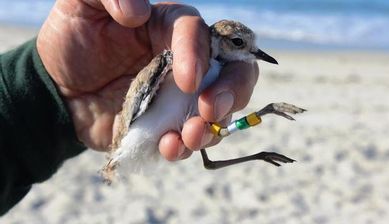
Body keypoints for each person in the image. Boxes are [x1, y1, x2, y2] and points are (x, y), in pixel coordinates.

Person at [0, 0, 259, 215]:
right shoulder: (178, 61)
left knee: (200, 129)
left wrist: (45, 96)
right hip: (127, 134)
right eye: (239, 43)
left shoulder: (213, 71)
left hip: (50, 133)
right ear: (218, 40)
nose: (252, 53)